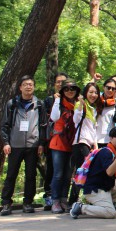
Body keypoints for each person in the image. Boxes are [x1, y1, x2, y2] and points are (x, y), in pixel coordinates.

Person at [0, 75, 47, 216]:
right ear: (20, 87)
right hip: (15, 145)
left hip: (33, 145)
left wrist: (41, 143)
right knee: (11, 174)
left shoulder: (39, 104)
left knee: (31, 175)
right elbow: (4, 125)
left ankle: (28, 202)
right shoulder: (12, 104)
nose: (28, 87)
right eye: (25, 84)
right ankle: (6, 203)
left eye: (30, 84)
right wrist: (6, 143)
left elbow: (43, 125)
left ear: (34, 87)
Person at [70, 127, 116, 220]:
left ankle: (101, 204)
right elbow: (109, 172)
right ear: (110, 138)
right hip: (95, 189)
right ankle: (81, 207)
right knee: (110, 213)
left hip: (106, 187)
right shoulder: (106, 152)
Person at [68, 82, 104, 206]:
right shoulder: (81, 104)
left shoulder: (93, 109)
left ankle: (78, 200)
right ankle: (73, 201)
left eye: (96, 92)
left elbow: (92, 129)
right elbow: (76, 120)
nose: (93, 95)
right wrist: (80, 105)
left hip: (88, 144)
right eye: (91, 92)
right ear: (85, 93)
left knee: (84, 172)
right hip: (80, 143)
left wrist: (95, 145)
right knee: (81, 172)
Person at [48, 78, 80, 214]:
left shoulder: (78, 103)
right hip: (58, 143)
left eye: (72, 89)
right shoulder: (59, 103)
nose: (69, 91)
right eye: (66, 89)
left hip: (72, 142)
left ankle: (63, 199)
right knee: (58, 173)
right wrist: (57, 101)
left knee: (68, 174)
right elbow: (54, 118)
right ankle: (55, 200)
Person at [42, 72, 68, 211]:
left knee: (66, 172)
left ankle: (63, 198)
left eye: (63, 82)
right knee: (53, 170)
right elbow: (47, 120)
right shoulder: (49, 101)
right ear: (54, 84)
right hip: (53, 140)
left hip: (68, 140)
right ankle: (51, 197)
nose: (60, 84)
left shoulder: (72, 100)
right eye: (58, 82)